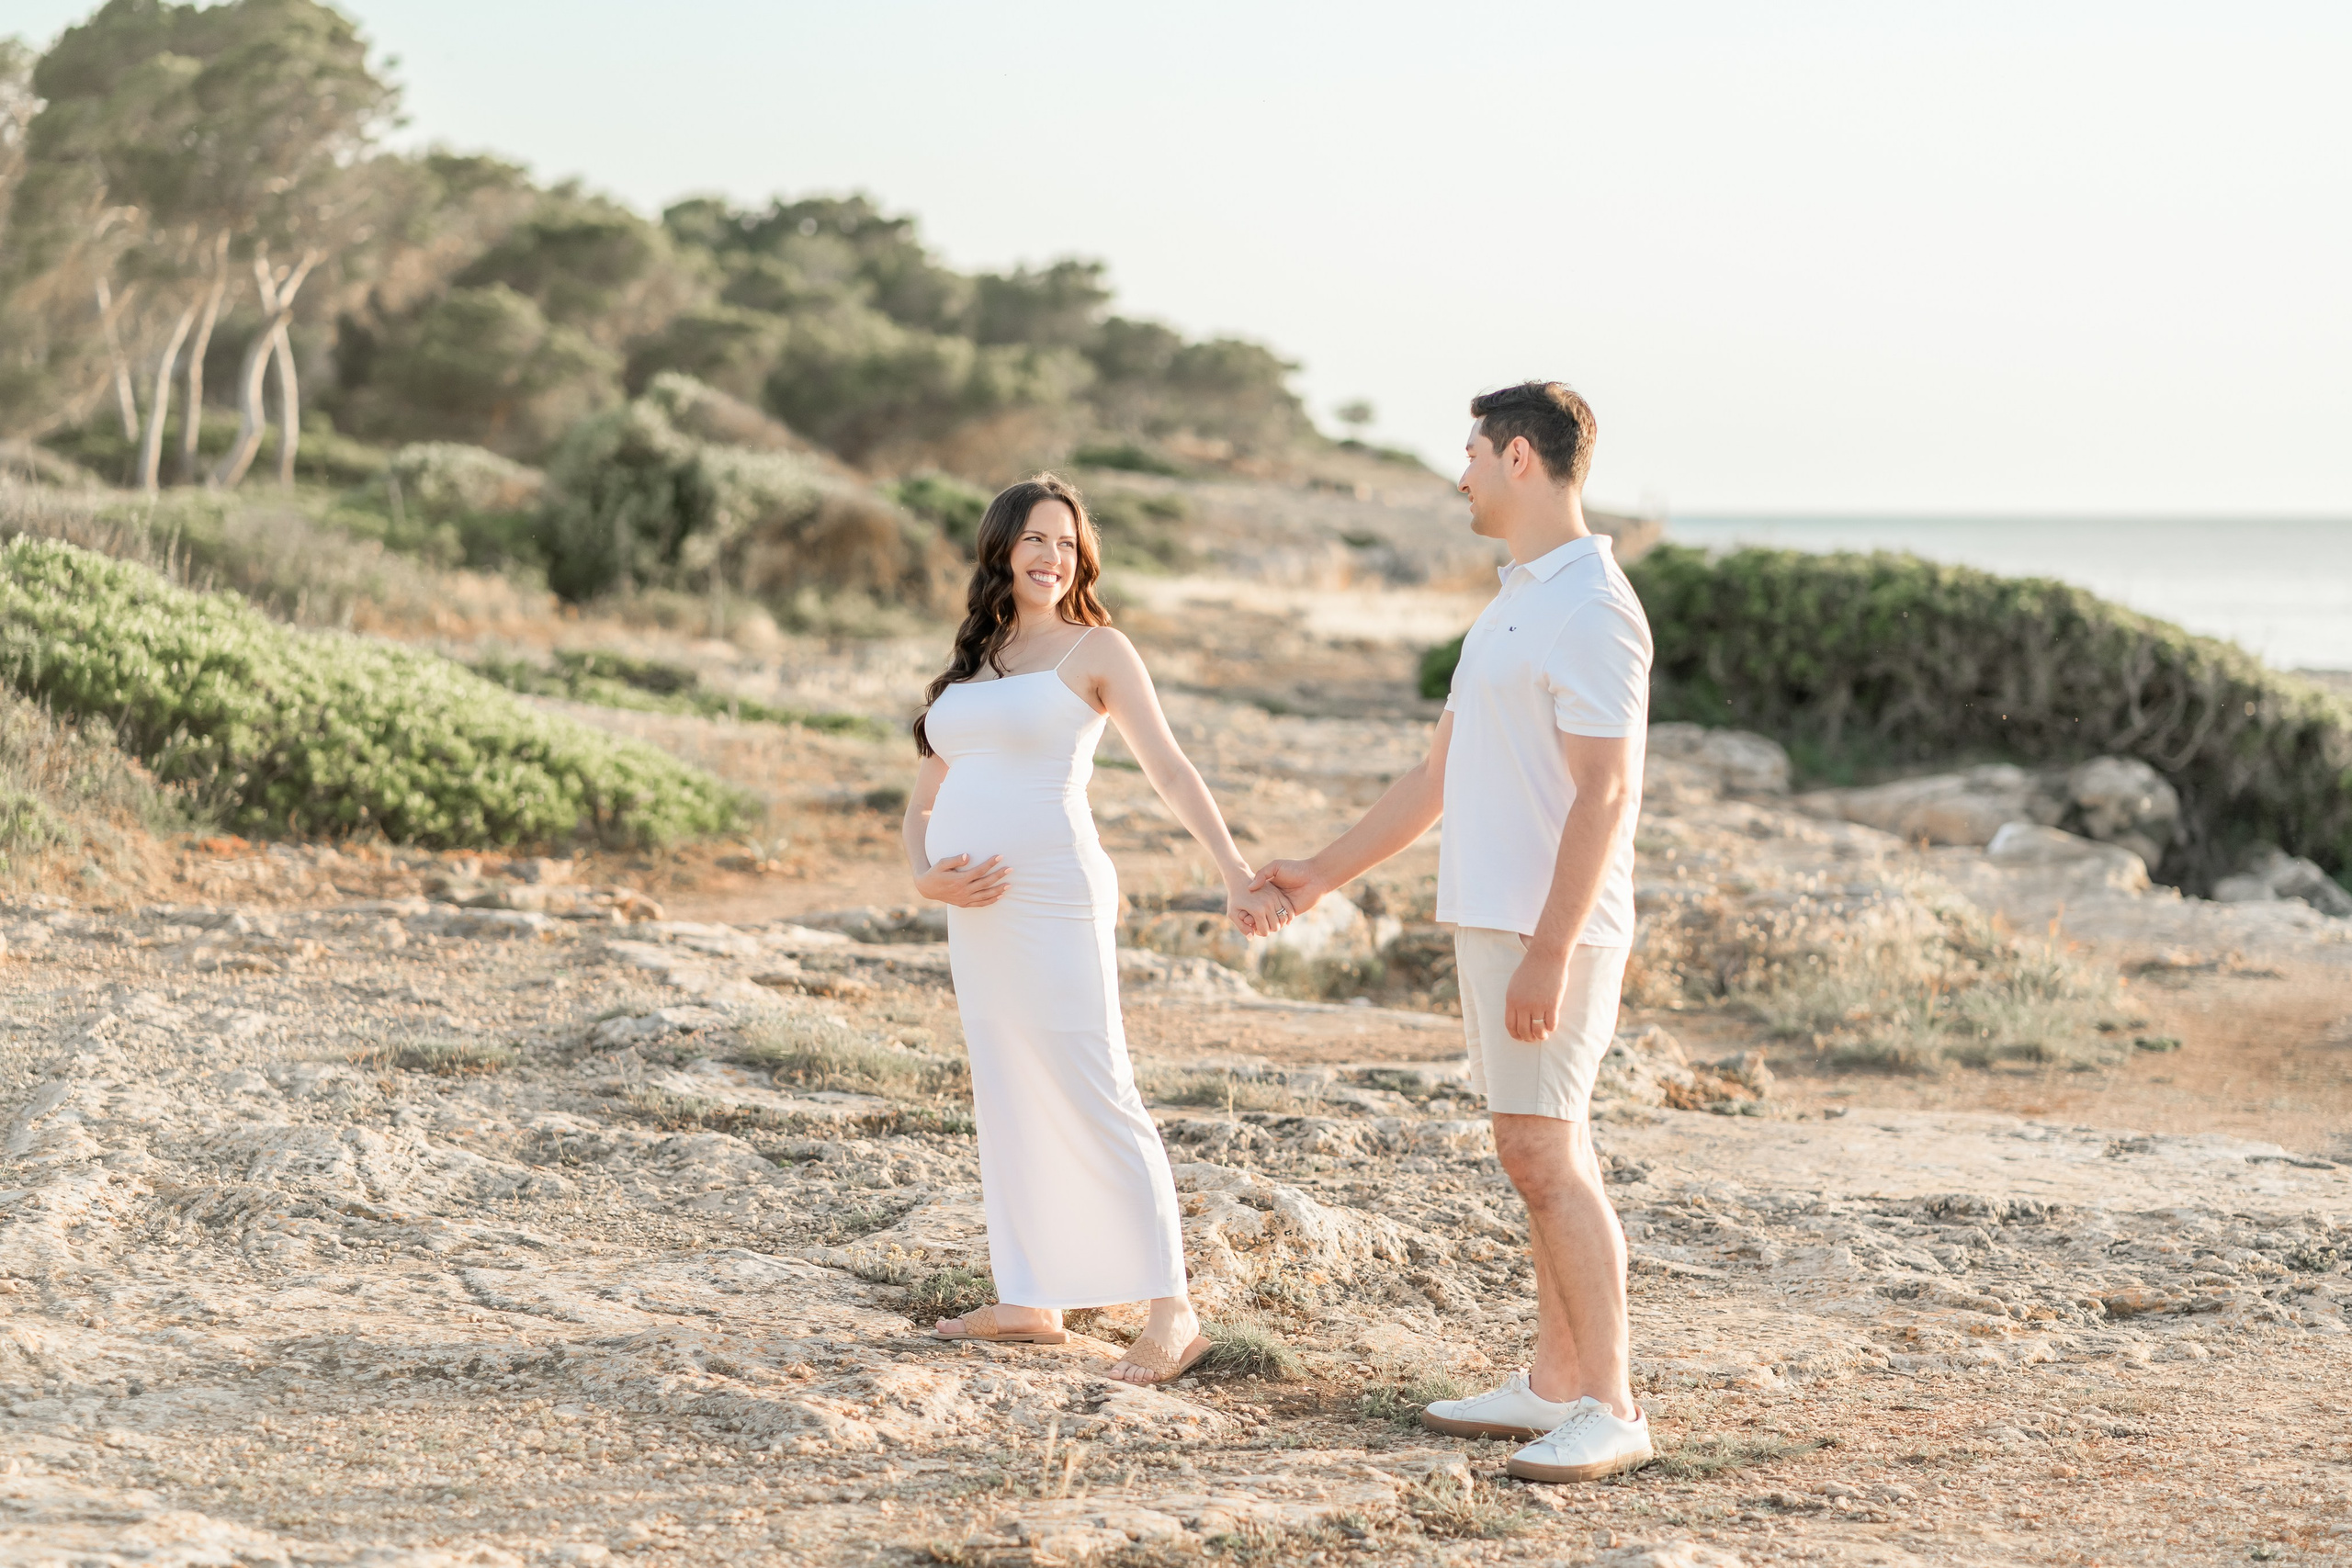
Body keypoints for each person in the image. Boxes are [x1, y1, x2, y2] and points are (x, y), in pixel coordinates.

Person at [1250, 381, 1656, 1482]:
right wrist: (1318, 876)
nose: (1459, 473)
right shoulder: (1516, 596)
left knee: (1543, 1151)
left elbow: (1605, 797)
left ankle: (1611, 1405)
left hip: (1547, 932)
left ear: (1519, 457)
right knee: (1533, 1151)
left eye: (1472, 451)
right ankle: (1553, 1384)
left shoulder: (1594, 606)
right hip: (1498, 923)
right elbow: (1436, 776)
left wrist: (1549, 947)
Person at [903, 472, 1293, 1386]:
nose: (1051, 558)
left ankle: (1173, 1314)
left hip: (1057, 896)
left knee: (1095, 1086)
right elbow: (922, 803)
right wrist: (925, 880)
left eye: (1068, 546)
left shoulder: (1097, 649)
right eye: (1037, 540)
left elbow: (1171, 770)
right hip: (976, 913)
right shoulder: (973, 661)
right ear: (1003, 546)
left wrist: (1235, 874)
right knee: (1005, 1084)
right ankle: (1029, 1296)